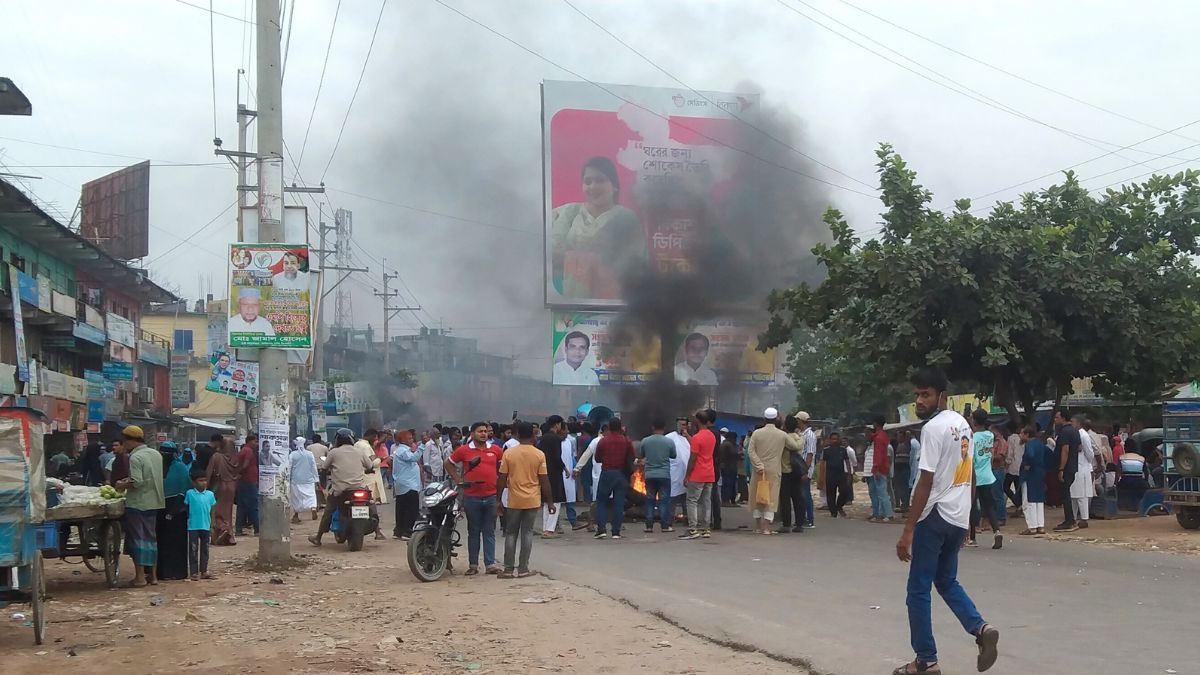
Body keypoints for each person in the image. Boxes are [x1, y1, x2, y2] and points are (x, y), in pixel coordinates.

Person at [895, 367, 999, 675]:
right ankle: (981, 629)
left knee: (918, 589)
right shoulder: (963, 425)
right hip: (956, 516)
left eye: (925, 394)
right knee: (946, 580)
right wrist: (967, 518)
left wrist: (909, 529)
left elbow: (925, 481)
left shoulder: (933, 428)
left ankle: (925, 659)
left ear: (942, 396)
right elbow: (968, 476)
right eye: (916, 394)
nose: (919, 400)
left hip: (935, 515)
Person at [550, 155, 645, 300]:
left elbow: (631, 262)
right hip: (568, 304)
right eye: (588, 181)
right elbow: (554, 250)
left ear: (614, 185)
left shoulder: (626, 218)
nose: (593, 186)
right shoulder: (570, 212)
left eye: (600, 180)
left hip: (613, 305)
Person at [496, 422, 554, 579]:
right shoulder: (539, 454)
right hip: (532, 499)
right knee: (527, 532)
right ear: (534, 435)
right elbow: (544, 480)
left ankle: (508, 569)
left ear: (517, 435)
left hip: (514, 499)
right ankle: (523, 569)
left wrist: (498, 499)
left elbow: (502, 478)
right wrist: (550, 502)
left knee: (511, 533)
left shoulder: (509, 454)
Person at [445, 422, 504, 575]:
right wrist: (458, 480)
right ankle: (473, 565)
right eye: (480, 431)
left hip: (491, 496)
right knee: (474, 531)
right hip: (472, 497)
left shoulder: (495, 450)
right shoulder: (464, 450)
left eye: (485, 431)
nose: (484, 434)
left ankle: (490, 564)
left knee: (489, 531)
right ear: (472, 434)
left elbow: (504, 467)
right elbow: (448, 463)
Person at [114, 426, 164, 588]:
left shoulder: (135, 458)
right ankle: (154, 576)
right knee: (151, 539)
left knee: (138, 540)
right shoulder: (156, 454)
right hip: (154, 502)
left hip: (138, 504)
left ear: (130, 441)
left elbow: (137, 481)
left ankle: (140, 577)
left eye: (124, 442)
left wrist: (121, 484)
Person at [309, 429, 375, 547]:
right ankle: (378, 531)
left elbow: (324, 468)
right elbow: (370, 465)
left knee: (328, 511)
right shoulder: (359, 451)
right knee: (371, 504)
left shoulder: (333, 452)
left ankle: (318, 537)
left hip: (340, 490)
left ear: (337, 440)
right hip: (359, 488)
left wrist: (324, 476)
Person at [746, 408, 800, 534]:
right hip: (774, 469)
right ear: (776, 419)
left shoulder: (757, 433)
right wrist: (799, 436)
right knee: (771, 497)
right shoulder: (782, 434)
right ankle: (766, 528)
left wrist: (759, 465)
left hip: (758, 470)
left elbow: (750, 451)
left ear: (764, 418)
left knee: (757, 495)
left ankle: (758, 526)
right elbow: (795, 446)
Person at [593, 417, 635, 539]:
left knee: (601, 501)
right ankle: (616, 532)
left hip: (606, 473)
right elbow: (631, 456)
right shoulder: (626, 441)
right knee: (619, 502)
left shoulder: (603, 441)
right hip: (621, 474)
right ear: (620, 427)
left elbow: (597, 458)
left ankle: (601, 529)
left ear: (610, 427)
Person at [967, 410, 1002, 550]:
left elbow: (971, 459)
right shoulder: (989, 435)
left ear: (974, 421)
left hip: (975, 476)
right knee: (989, 506)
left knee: (972, 506)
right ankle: (997, 531)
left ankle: (972, 537)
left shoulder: (973, 438)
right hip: (988, 475)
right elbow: (991, 455)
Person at [156, 442, 192, 581]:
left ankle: (177, 572)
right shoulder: (157, 468)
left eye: (167, 453)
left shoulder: (180, 468)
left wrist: (174, 510)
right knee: (161, 539)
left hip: (177, 508)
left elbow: (184, 489)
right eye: (162, 452)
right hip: (159, 506)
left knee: (176, 541)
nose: (165, 456)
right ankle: (161, 571)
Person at [680, 410, 718, 539]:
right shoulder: (711, 436)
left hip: (697, 474)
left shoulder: (697, 437)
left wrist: (687, 476)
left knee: (692, 501)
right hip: (709, 473)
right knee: (706, 502)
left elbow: (693, 458)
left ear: (698, 421)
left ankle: (692, 529)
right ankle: (705, 529)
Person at [638, 418, 677, 533]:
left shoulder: (645, 441)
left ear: (652, 427)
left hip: (650, 474)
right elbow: (673, 455)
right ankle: (665, 526)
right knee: (664, 500)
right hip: (664, 475)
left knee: (650, 500)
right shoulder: (669, 441)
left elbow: (641, 455)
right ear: (664, 428)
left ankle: (649, 526)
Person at [537, 416, 570, 537]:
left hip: (544, 471)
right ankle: (550, 530)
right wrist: (564, 468)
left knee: (547, 501)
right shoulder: (556, 439)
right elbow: (557, 457)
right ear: (557, 424)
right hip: (554, 473)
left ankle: (546, 528)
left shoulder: (543, 438)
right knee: (555, 500)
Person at [204, 435, 239, 545]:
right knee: (228, 511)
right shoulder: (236, 459)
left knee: (218, 511)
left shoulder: (217, 457)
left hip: (220, 486)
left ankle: (222, 530)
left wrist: (205, 488)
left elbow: (208, 473)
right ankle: (230, 535)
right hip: (232, 487)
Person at [1052, 410, 1081, 532]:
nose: (1055, 419)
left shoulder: (1064, 432)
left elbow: (1065, 450)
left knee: (1065, 494)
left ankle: (1070, 521)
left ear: (1063, 418)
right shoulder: (1075, 431)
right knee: (1066, 493)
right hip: (1073, 466)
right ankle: (1070, 520)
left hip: (1066, 467)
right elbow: (1079, 448)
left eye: (1057, 417)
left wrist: (1061, 468)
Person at [185, 472, 217, 580]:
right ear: (194, 483)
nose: (203, 483)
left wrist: (212, 524)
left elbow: (212, 510)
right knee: (193, 549)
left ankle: (204, 571)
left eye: (205, 480)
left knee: (205, 550)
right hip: (193, 526)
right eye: (200, 480)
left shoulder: (210, 494)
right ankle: (194, 572)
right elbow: (186, 507)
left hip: (206, 525)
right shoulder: (189, 493)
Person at [391, 430, 422, 540]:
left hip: (405, 484)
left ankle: (399, 531)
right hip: (408, 485)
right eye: (409, 438)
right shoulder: (402, 451)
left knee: (401, 509)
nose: (412, 440)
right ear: (403, 440)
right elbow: (414, 458)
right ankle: (407, 531)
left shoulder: (402, 450)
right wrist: (422, 447)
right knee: (412, 509)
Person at [1018, 426, 1049, 536]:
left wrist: (1028, 464)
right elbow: (1050, 455)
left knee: (1028, 501)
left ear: (1027, 434)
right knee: (1039, 500)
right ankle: (1040, 525)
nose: (1020, 436)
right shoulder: (1041, 444)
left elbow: (1030, 455)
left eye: (1021, 433)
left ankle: (1032, 527)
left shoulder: (1029, 445)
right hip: (1040, 473)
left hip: (1030, 474)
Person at [778, 415, 806, 533]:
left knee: (785, 499)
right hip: (797, 471)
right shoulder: (799, 438)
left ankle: (786, 524)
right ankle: (799, 524)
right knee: (798, 498)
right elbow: (798, 446)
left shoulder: (782, 437)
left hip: (784, 471)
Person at [1070, 414, 1096, 529]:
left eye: (1073, 422)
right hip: (1076, 467)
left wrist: (1087, 462)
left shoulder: (1084, 435)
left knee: (1081, 495)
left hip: (1082, 467)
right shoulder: (1074, 434)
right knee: (1073, 495)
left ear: (1079, 423)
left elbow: (1090, 453)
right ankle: (1073, 517)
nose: (1071, 424)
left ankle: (1084, 518)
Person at [868, 417, 895, 523]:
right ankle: (882, 514)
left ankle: (888, 514)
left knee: (882, 493)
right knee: (881, 492)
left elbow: (878, 455)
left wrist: (877, 468)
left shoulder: (879, 438)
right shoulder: (883, 436)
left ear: (875, 424)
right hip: (883, 467)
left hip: (880, 468)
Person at [666, 418, 691, 524]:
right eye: (680, 424)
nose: (682, 427)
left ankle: (688, 520)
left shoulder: (688, 439)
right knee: (672, 498)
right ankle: (669, 521)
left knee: (687, 499)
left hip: (687, 474)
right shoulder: (670, 437)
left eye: (684, 425)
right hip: (674, 473)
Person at [288, 436, 319, 524]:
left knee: (296, 497)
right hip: (309, 479)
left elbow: (289, 467)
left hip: (296, 480)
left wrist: (287, 478)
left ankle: (296, 514)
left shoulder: (293, 454)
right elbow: (313, 467)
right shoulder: (310, 454)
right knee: (311, 495)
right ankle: (313, 507)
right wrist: (316, 479)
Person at [235, 433, 260, 537]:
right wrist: (240, 473)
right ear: (250, 441)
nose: (257, 444)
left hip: (243, 482)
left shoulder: (243, 450)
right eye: (255, 441)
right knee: (253, 506)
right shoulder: (249, 451)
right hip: (249, 481)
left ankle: (239, 529)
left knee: (242, 506)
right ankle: (257, 529)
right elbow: (245, 465)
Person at [822, 432, 852, 517]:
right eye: (833, 439)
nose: (834, 441)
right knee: (830, 494)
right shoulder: (826, 450)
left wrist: (849, 474)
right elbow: (823, 464)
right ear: (830, 440)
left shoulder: (843, 450)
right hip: (830, 474)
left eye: (836, 439)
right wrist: (822, 477)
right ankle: (833, 512)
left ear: (839, 440)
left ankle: (839, 506)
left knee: (844, 491)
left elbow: (847, 462)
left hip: (841, 474)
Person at [797, 413, 818, 527]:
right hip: (802, 468)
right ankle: (804, 518)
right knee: (802, 494)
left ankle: (809, 519)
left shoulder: (809, 435)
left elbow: (810, 454)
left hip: (805, 469)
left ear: (801, 420)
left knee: (805, 494)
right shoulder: (802, 434)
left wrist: (805, 471)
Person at [1004, 423, 1024, 518]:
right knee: (1018, 488)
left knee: (1006, 486)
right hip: (1022, 466)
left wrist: (1006, 465)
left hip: (1013, 466)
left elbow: (1010, 454)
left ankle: (1018, 504)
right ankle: (1020, 507)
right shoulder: (1024, 438)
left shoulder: (1011, 438)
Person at [717, 429, 740, 506]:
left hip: (727, 467)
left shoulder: (725, 443)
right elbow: (734, 453)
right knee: (728, 484)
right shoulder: (728, 444)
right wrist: (740, 453)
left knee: (729, 484)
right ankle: (726, 501)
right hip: (728, 467)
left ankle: (729, 500)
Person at [894, 429, 912, 513]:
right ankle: (902, 504)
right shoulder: (897, 445)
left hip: (904, 468)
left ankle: (905, 505)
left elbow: (908, 435)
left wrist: (905, 433)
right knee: (899, 487)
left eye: (900, 436)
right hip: (898, 468)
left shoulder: (907, 444)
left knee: (904, 487)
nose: (898, 438)